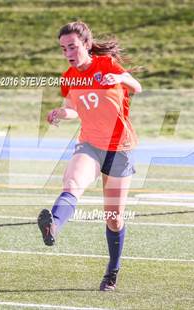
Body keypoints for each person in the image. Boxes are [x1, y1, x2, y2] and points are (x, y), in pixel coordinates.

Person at [37, 21, 142, 292]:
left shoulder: (106, 65)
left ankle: (112, 271)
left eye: (72, 46)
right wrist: (62, 113)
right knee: (72, 184)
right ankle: (53, 227)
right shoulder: (69, 77)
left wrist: (119, 78)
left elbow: (136, 86)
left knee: (113, 218)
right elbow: (73, 108)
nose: (68, 52)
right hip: (90, 144)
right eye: (63, 48)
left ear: (85, 44)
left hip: (119, 148)